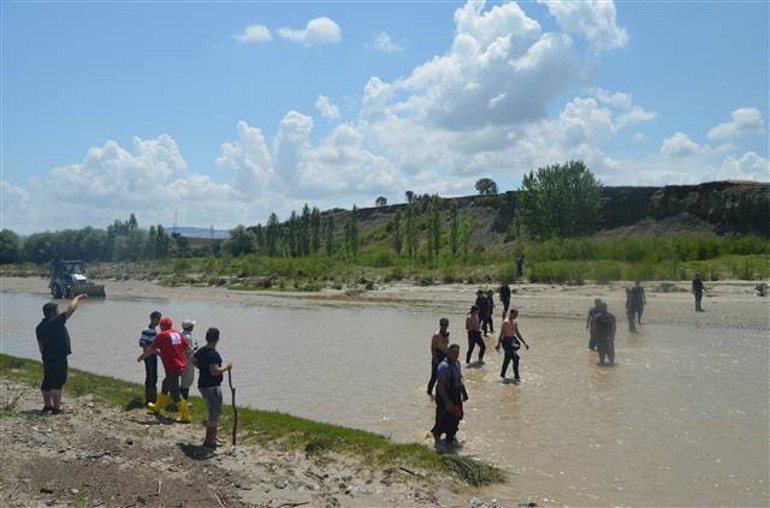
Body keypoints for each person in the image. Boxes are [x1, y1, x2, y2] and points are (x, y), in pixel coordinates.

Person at [35, 294, 87, 414]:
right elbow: (71, 309)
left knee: (47, 382)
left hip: (47, 357)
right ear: (52, 312)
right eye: (57, 310)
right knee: (57, 383)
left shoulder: (40, 327)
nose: (58, 312)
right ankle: (56, 408)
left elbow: (40, 344)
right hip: (58, 357)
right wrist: (77, 298)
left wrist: (43, 356)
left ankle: (47, 406)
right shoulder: (56, 321)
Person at [137, 317, 192, 423]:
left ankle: (185, 415)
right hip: (181, 365)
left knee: (175, 392)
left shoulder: (161, 335)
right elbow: (187, 348)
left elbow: (151, 349)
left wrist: (142, 357)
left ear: (162, 326)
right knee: (165, 384)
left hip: (172, 367)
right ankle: (157, 407)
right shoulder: (177, 333)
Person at [193, 327, 232, 448]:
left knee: (212, 412)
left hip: (202, 385)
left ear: (207, 338)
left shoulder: (202, 350)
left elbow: (193, 360)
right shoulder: (213, 354)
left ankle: (212, 437)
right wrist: (226, 367)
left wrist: (202, 367)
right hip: (212, 387)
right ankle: (210, 440)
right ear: (217, 339)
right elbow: (214, 371)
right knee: (215, 413)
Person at [430, 344, 468, 449]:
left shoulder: (457, 364)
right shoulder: (443, 367)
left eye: (457, 352)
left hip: (455, 394)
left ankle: (450, 438)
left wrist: (464, 393)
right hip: (445, 395)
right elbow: (440, 386)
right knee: (442, 418)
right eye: (454, 352)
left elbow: (459, 379)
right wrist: (447, 402)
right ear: (449, 352)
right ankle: (437, 441)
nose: (456, 355)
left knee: (457, 416)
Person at [496, 309, 529, 383]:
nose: (516, 316)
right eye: (515, 314)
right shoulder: (505, 322)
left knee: (507, 359)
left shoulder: (514, 323)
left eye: (517, 315)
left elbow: (518, 333)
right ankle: (516, 376)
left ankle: (502, 375)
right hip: (506, 341)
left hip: (512, 341)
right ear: (511, 313)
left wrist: (524, 343)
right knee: (515, 358)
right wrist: (498, 344)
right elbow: (501, 334)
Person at [139, 310, 162, 405]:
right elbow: (142, 343)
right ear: (152, 319)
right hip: (149, 356)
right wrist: (151, 351)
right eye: (158, 319)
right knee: (152, 376)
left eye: (159, 319)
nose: (159, 321)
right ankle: (150, 399)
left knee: (152, 376)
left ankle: (151, 398)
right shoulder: (147, 330)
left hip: (151, 354)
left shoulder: (153, 330)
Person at [427, 318, 450, 396]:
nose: (444, 326)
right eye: (442, 325)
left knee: (445, 375)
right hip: (437, 355)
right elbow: (432, 347)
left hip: (445, 355)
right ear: (440, 325)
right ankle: (429, 392)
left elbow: (446, 345)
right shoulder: (436, 335)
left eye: (446, 325)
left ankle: (442, 392)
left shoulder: (447, 334)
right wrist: (435, 358)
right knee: (434, 376)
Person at [179, 319, 197, 401]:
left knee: (183, 379)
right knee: (187, 380)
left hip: (180, 359)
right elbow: (188, 350)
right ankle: (184, 400)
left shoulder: (180, 333)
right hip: (187, 360)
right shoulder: (188, 337)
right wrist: (194, 349)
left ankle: (179, 399)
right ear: (189, 327)